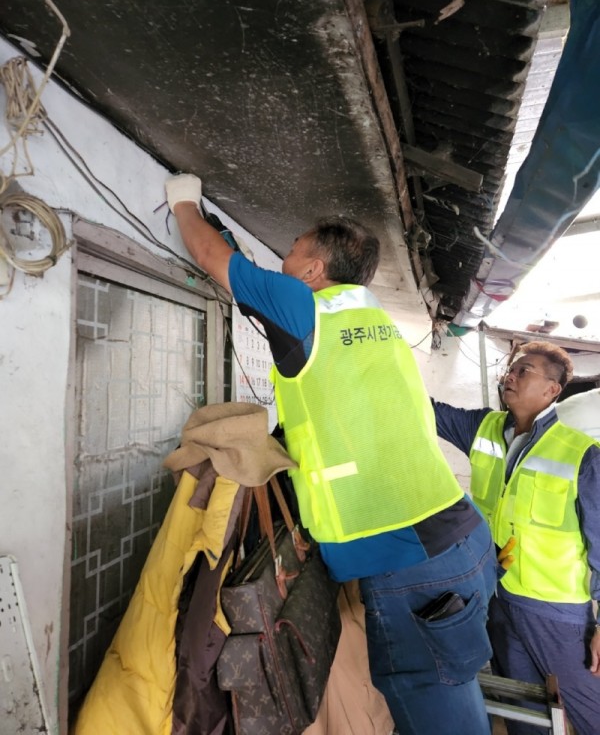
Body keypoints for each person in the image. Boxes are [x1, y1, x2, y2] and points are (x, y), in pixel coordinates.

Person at [164, 172, 497, 735]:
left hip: (411, 561)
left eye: (292, 252)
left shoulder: (303, 307)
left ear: (315, 271)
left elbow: (211, 255)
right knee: (448, 698)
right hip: (456, 540)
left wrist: (183, 201)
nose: (285, 261)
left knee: (440, 716)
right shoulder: (371, 321)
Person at [433, 341, 600, 735]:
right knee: (522, 714)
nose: (510, 375)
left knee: (589, 713)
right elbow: (426, 411)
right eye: (511, 368)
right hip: (498, 599)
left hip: (556, 612)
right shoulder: (484, 428)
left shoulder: (583, 455)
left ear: (552, 390)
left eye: (524, 371)